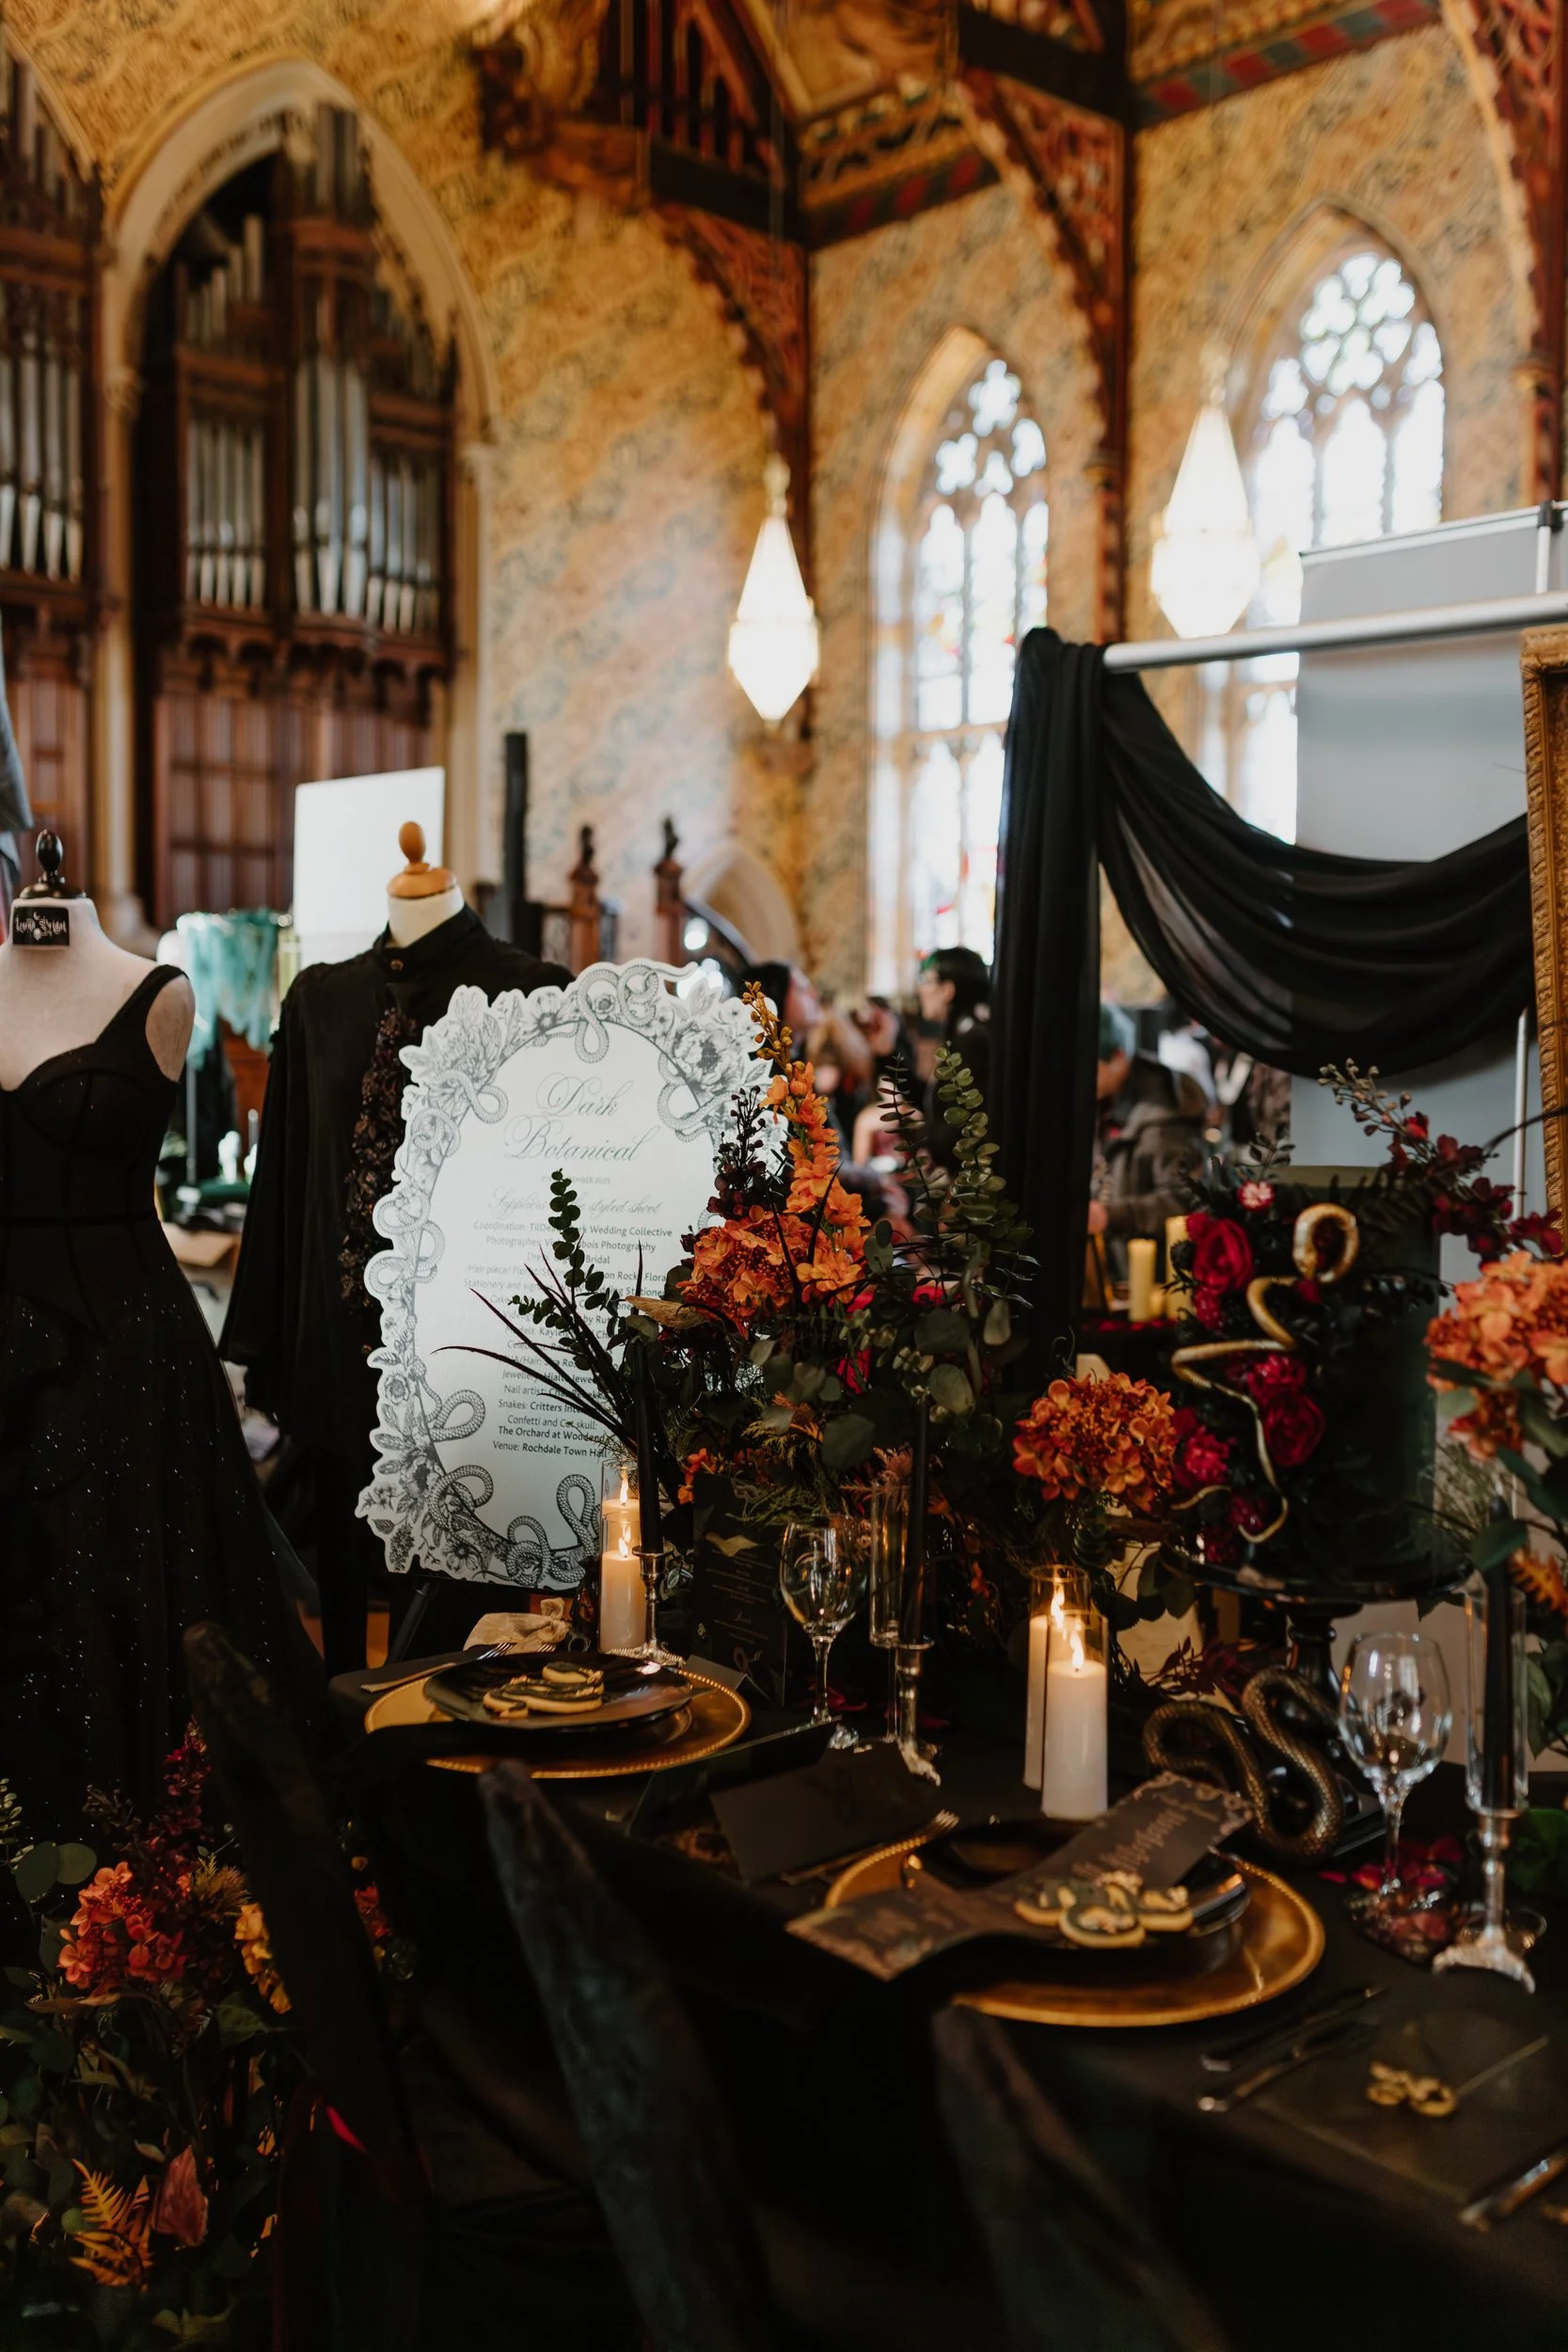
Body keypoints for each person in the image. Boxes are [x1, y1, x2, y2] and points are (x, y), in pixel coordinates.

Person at [1088, 1001, 1206, 1279]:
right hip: (1114, 1272)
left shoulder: (1162, 1116)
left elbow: (1183, 1200)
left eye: (1091, 1068)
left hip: (1158, 1283)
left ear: (1118, 1059)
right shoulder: (1105, 1102)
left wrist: (1109, 1216)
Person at [916, 946, 990, 1165]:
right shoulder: (961, 1036)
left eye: (927, 980)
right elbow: (935, 1103)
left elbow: (958, 1128)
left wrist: (920, 1139)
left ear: (948, 989)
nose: (921, 989)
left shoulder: (972, 1042)